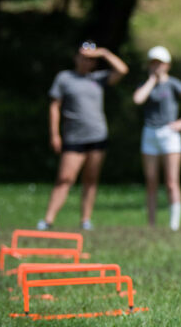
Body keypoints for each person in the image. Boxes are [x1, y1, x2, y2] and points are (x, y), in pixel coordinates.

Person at [38, 41, 129, 231]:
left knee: (91, 180)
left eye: (90, 59)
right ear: (76, 57)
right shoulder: (64, 78)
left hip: (97, 136)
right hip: (73, 137)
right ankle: (48, 220)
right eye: (83, 57)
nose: (87, 62)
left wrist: (103, 53)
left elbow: (122, 70)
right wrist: (54, 134)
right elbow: (54, 107)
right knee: (65, 178)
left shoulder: (98, 78)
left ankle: (85, 220)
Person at [132, 45, 181, 231]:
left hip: (169, 134)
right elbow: (138, 99)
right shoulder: (145, 84)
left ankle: (174, 225)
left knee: (171, 182)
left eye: (160, 63)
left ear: (167, 65)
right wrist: (151, 81)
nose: (156, 66)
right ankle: (151, 224)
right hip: (149, 133)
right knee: (151, 182)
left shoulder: (173, 84)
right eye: (153, 63)